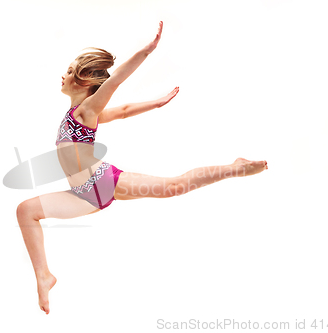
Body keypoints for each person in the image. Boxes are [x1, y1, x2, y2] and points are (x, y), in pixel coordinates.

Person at [16, 21, 268, 314]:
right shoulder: (79, 113)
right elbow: (121, 112)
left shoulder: (87, 111)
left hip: (102, 182)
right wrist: (155, 103)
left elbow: (115, 84)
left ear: (84, 82)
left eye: (71, 71)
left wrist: (146, 52)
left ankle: (233, 168)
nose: (64, 74)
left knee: (173, 187)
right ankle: (44, 276)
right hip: (82, 196)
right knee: (26, 211)